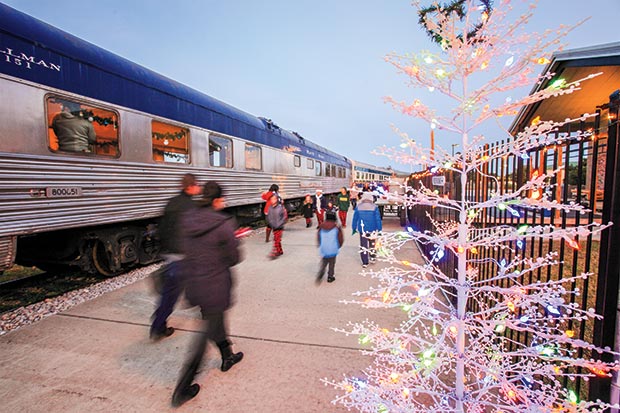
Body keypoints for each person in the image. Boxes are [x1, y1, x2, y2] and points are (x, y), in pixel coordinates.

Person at [172, 181, 243, 408]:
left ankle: (227, 355)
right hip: (215, 284)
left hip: (194, 283)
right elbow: (234, 258)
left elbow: (184, 249)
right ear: (216, 200)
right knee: (203, 336)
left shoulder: (188, 219)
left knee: (214, 320)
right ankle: (182, 389)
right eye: (222, 199)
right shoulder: (223, 224)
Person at [150, 173, 201, 340]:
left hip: (171, 254)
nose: (199, 188)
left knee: (170, 292)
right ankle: (206, 312)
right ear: (190, 187)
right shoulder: (191, 206)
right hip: (184, 255)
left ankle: (158, 325)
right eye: (197, 185)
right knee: (192, 285)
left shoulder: (171, 202)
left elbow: (162, 229)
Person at [351, 191, 383, 268]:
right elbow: (378, 219)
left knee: (363, 245)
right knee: (372, 243)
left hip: (363, 229)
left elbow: (355, 219)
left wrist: (354, 228)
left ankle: (365, 262)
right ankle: (372, 257)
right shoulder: (374, 207)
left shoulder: (358, 206)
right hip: (372, 228)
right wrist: (379, 229)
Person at [317, 211, 344, 284]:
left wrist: (320, 244)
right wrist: (339, 245)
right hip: (333, 248)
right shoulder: (337, 227)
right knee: (332, 263)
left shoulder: (321, 226)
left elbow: (319, 237)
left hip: (324, 247)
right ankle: (330, 277)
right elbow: (340, 238)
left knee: (324, 261)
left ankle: (321, 272)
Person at [266, 193, 286, 259]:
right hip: (274, 226)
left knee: (276, 240)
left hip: (279, 227)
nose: (272, 200)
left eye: (274, 199)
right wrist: (270, 223)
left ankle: (275, 252)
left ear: (277, 200)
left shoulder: (280, 208)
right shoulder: (270, 208)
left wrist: (280, 223)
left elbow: (284, 217)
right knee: (277, 239)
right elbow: (269, 217)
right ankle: (280, 251)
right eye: (271, 199)